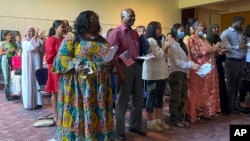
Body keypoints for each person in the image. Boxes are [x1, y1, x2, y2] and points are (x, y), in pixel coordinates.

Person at [52, 10, 114, 140]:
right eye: (92, 18)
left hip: (99, 86)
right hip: (78, 86)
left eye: (97, 18)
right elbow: (60, 59)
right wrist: (76, 65)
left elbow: (106, 58)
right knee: (78, 113)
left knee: (96, 112)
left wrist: (109, 62)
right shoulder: (73, 36)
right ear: (83, 20)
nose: (96, 20)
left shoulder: (102, 40)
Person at [108, 8, 146, 140]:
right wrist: (120, 72)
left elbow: (135, 51)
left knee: (137, 99)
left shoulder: (135, 33)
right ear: (122, 16)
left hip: (136, 65)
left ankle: (135, 126)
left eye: (134, 16)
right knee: (122, 101)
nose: (133, 18)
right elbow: (114, 55)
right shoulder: (116, 32)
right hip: (123, 67)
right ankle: (119, 131)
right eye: (130, 16)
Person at [185, 21, 221, 123]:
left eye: (204, 27)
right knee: (198, 92)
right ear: (196, 27)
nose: (203, 28)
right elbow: (195, 53)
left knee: (207, 92)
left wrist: (217, 51)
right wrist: (212, 49)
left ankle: (206, 112)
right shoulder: (192, 39)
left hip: (209, 69)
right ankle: (195, 114)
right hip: (199, 70)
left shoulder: (204, 39)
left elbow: (210, 51)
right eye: (201, 26)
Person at [142, 21, 171, 132]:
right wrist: (164, 47)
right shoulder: (150, 41)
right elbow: (156, 56)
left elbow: (165, 56)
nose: (160, 30)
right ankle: (150, 122)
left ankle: (159, 120)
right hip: (152, 75)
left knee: (159, 98)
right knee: (151, 98)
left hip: (161, 74)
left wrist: (167, 48)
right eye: (158, 28)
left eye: (160, 28)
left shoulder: (159, 41)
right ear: (152, 29)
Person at [168, 23, 198, 127]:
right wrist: (188, 64)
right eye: (180, 30)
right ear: (174, 31)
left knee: (183, 96)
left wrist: (191, 64)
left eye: (183, 31)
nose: (182, 33)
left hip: (185, 72)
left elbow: (188, 57)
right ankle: (174, 119)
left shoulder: (182, 44)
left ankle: (181, 117)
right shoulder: (171, 44)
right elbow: (176, 62)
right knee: (176, 97)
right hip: (176, 72)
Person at [220, 16, 246, 114]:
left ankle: (235, 104)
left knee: (237, 85)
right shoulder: (226, 33)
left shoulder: (240, 33)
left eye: (242, 24)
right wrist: (238, 47)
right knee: (230, 85)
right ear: (234, 22)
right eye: (240, 24)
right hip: (231, 61)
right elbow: (224, 47)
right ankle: (229, 105)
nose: (241, 26)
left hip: (240, 61)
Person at [45, 20, 66, 123]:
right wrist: (62, 53)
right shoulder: (50, 40)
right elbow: (49, 58)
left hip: (65, 68)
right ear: (56, 28)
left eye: (65, 27)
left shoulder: (65, 39)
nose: (65, 29)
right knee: (56, 92)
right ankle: (56, 116)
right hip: (55, 68)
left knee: (65, 91)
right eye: (62, 27)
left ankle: (64, 114)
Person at [206, 24, 230, 115]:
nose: (216, 29)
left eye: (217, 28)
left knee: (221, 86)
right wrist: (215, 50)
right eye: (214, 28)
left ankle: (221, 108)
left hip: (219, 65)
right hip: (210, 66)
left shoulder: (218, 39)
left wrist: (221, 51)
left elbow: (220, 54)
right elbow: (207, 53)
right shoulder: (207, 40)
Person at [22, 26, 45, 109]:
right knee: (29, 80)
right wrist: (35, 37)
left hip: (37, 62)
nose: (31, 32)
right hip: (28, 64)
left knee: (37, 80)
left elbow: (42, 49)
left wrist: (40, 39)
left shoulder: (37, 39)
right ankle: (30, 103)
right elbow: (29, 47)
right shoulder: (24, 40)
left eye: (33, 31)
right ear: (26, 32)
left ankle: (38, 102)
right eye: (29, 31)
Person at [0, 31, 17, 99]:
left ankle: (13, 93)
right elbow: (1, 53)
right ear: (5, 36)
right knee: (6, 77)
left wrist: (15, 50)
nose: (10, 36)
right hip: (6, 60)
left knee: (12, 76)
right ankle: (8, 95)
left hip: (12, 60)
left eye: (11, 35)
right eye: (8, 35)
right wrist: (9, 51)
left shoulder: (13, 43)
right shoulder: (3, 43)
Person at [239, 24, 250, 109]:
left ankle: (246, 101)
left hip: (246, 61)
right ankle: (241, 100)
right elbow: (242, 49)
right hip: (246, 62)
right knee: (245, 82)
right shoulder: (244, 38)